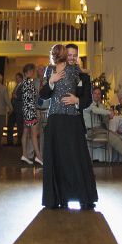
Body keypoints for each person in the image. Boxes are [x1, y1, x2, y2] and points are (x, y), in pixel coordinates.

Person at [40, 43, 97, 210]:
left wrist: (76, 100)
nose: (71, 57)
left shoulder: (80, 74)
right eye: (68, 54)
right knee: (57, 159)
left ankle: (83, 196)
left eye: (74, 55)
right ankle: (58, 197)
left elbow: (87, 99)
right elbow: (43, 95)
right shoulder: (51, 70)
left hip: (73, 120)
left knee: (76, 159)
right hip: (55, 120)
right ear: (64, 54)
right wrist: (51, 81)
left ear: (77, 56)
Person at [83, 86, 122, 164]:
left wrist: (108, 117)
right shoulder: (88, 104)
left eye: (99, 94)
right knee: (114, 138)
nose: (97, 95)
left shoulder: (101, 105)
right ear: (92, 94)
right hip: (91, 131)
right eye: (95, 93)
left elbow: (105, 119)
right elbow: (96, 110)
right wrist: (109, 112)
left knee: (120, 137)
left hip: (101, 130)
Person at [18, 63, 44, 166]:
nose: (33, 72)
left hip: (26, 110)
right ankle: (38, 156)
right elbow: (34, 96)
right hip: (31, 110)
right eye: (32, 71)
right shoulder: (29, 82)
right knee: (34, 134)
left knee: (25, 132)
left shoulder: (24, 82)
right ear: (28, 72)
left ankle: (24, 154)